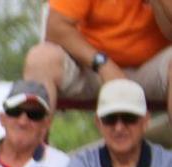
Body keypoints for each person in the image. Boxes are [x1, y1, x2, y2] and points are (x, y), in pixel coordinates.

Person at [23, 0, 172, 118]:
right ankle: (33, 153)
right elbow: (55, 28)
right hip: (93, 68)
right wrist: (102, 64)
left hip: (153, 70)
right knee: (40, 60)